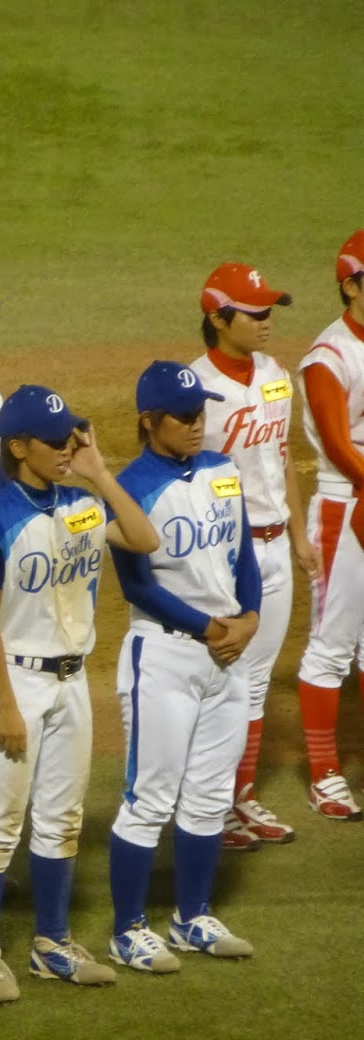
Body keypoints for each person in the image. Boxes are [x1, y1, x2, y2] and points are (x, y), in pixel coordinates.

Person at [0, 387, 156, 1003]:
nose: (68, 446)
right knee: (0, 824)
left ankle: (52, 944)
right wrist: (7, 704)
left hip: (71, 682)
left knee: (62, 819)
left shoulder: (83, 506)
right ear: (18, 448)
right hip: (16, 681)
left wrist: (99, 472)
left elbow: (145, 539)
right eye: (56, 439)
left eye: (73, 434)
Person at [107, 362, 261, 974]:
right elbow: (136, 586)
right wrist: (209, 629)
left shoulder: (223, 469)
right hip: (166, 654)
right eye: (186, 416)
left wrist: (247, 618)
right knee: (150, 797)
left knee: (209, 796)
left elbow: (242, 553)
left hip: (228, 652)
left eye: (203, 413)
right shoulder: (130, 488)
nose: (199, 425)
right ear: (150, 421)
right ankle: (127, 930)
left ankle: (192, 916)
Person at [192, 265, 317, 847]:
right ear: (219, 319)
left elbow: (283, 457)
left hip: (273, 546)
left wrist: (296, 533)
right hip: (223, 556)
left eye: (270, 311)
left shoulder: (274, 375)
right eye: (255, 312)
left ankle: (237, 799)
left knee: (257, 681)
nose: (268, 322)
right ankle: (207, 807)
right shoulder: (192, 389)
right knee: (220, 678)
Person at [296, 230, 364, 821]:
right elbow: (341, 447)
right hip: (346, 507)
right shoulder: (329, 357)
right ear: (350, 285)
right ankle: (324, 774)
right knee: (332, 647)